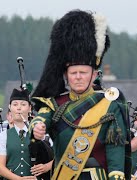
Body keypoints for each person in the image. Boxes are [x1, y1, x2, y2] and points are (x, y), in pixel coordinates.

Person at [30, 9, 131, 180]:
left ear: (94, 75)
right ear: (66, 75)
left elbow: (115, 148)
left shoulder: (110, 103)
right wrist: (36, 129)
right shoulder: (54, 103)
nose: (78, 77)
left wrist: (116, 176)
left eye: (83, 72)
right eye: (73, 73)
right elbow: (40, 120)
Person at [0, 88, 44, 179]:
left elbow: (55, 157)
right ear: (10, 108)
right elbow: (0, 168)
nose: (19, 108)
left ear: (30, 108)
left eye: (23, 104)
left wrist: (46, 167)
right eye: (15, 104)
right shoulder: (4, 135)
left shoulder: (39, 132)